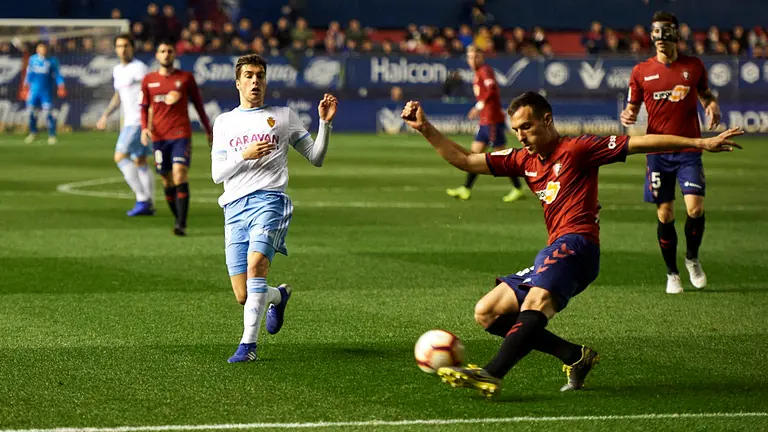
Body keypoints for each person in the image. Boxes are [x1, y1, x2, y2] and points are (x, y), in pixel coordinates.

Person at [400, 91, 742, 398]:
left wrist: (700, 143)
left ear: (547, 120)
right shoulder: (524, 160)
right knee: (487, 312)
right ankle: (574, 355)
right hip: (553, 250)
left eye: (527, 127)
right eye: (516, 129)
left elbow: (642, 143)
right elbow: (466, 161)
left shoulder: (578, 149)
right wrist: (425, 128)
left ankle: (492, 373)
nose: (521, 135)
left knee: (536, 301)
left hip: (578, 246)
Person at [210, 54, 337, 363]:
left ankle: (247, 347)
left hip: (270, 200)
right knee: (244, 294)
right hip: (234, 208)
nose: (256, 81)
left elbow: (316, 157)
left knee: (256, 266)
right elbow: (217, 174)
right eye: (250, 75)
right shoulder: (224, 122)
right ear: (238, 82)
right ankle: (278, 296)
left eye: (261, 76)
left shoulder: (283, 116)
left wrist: (324, 124)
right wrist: (246, 154)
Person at [620, 11, 722, 294]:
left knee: (695, 208)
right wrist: (627, 114)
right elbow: (632, 106)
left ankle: (692, 258)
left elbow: (705, 94)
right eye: (656, 36)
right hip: (657, 152)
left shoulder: (694, 66)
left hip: (689, 148)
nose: (661, 42)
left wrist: (711, 105)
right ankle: (672, 272)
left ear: (676, 35)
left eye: (665, 35)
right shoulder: (641, 71)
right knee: (665, 214)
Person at [140, 41, 213, 236]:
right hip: (158, 137)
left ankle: (181, 222)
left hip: (180, 134)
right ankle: (178, 216)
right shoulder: (149, 80)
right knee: (166, 179)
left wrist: (208, 129)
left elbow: (198, 105)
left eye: (169, 51)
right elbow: (144, 106)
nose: (166, 54)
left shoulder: (185, 78)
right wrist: (144, 128)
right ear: (157, 55)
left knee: (179, 173)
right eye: (162, 51)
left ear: (174, 55)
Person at [446, 46, 524, 203]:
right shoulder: (478, 72)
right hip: (485, 121)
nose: (473, 60)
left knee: (502, 157)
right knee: (474, 156)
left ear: (482, 57)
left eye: (476, 56)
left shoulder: (485, 71)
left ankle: (518, 188)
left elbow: (492, 89)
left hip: (493, 121)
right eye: (470, 57)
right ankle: (466, 189)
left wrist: (479, 106)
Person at [97, 34, 154, 217]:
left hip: (137, 122)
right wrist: (105, 115)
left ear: (132, 48)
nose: (123, 49)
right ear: (116, 49)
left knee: (120, 156)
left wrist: (149, 121)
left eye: (126, 46)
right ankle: (149, 201)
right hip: (130, 120)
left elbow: (149, 93)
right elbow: (118, 96)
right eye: (120, 46)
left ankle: (142, 199)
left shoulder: (139, 68)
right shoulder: (117, 70)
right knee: (140, 160)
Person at [22, 42, 66, 145]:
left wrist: (61, 86)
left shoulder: (52, 61)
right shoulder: (32, 59)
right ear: (37, 50)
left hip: (46, 92)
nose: (42, 51)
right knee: (31, 112)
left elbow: (58, 74)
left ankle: (52, 135)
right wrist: (25, 87)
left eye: (44, 49)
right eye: (40, 48)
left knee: (48, 113)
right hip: (33, 92)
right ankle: (33, 133)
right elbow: (29, 74)